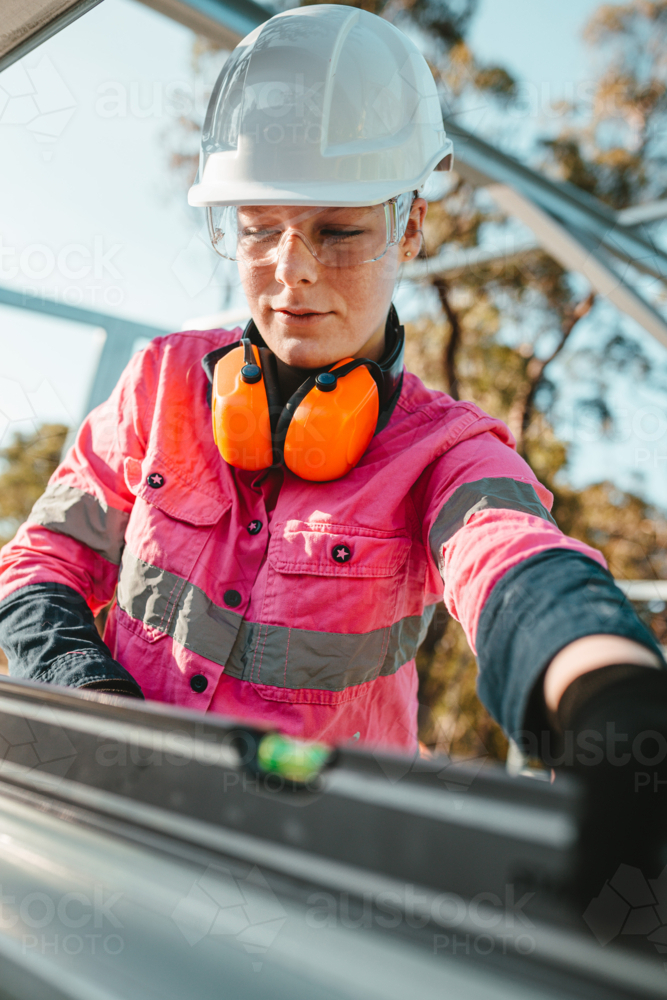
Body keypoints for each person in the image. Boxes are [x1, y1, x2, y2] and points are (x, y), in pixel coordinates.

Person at [0, 7, 665, 792]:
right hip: (126, 813)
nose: (292, 272)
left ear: (409, 226)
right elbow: (38, 563)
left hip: (314, 862)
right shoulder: (160, 384)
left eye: (339, 232)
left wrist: (612, 702)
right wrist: (91, 695)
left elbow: (518, 563)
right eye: (257, 227)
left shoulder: (445, 451)